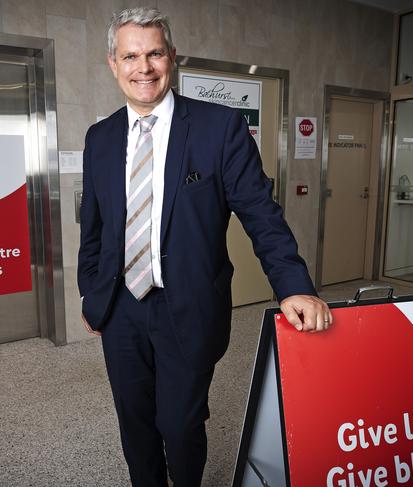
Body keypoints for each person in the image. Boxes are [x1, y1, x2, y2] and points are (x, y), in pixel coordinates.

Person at [78, 7, 332, 486]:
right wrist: (90, 293)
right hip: (121, 308)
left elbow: (261, 214)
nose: (144, 67)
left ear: (172, 57)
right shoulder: (100, 137)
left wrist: (293, 286)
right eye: (131, 55)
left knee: (179, 424)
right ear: (113, 64)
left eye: (154, 53)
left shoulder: (220, 128)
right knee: (135, 425)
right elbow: (92, 225)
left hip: (189, 306)